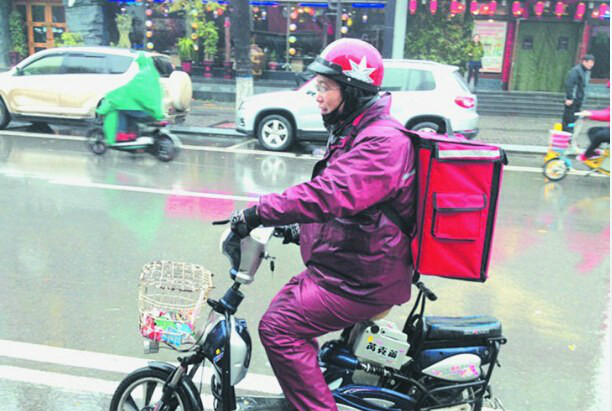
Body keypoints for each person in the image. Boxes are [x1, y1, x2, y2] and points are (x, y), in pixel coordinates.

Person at [229, 38, 416, 411]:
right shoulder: (357, 128)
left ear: (354, 90)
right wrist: (298, 230)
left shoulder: (382, 141)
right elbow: (359, 210)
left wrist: (260, 211)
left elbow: (328, 194)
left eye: (326, 88)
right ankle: (305, 392)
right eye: (318, 87)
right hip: (351, 264)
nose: (317, 96)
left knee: (280, 328)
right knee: (287, 311)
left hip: (363, 279)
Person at [96, 52, 164, 144]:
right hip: (155, 111)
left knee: (122, 110)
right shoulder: (152, 75)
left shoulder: (142, 75)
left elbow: (132, 88)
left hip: (148, 112)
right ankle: (132, 133)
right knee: (131, 109)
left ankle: (122, 133)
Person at [562, 54, 595, 132]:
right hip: (573, 100)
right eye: (590, 62)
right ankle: (567, 136)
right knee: (569, 119)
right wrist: (569, 98)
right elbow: (570, 84)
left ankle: (570, 136)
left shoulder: (585, 72)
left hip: (578, 100)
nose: (591, 65)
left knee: (573, 119)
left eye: (593, 63)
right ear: (584, 62)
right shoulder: (576, 70)